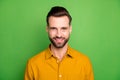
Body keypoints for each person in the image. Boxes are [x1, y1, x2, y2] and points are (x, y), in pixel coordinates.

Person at [24, 6, 94, 80]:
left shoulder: (84, 63)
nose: (59, 35)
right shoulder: (32, 64)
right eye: (54, 28)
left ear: (70, 29)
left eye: (63, 28)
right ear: (47, 29)